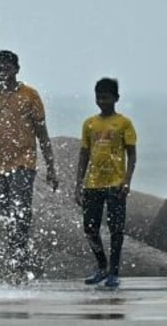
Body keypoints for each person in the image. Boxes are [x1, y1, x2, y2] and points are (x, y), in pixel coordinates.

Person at [0, 50, 59, 279]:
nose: (1, 72)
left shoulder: (30, 95)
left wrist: (51, 167)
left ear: (17, 68)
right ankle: (18, 254)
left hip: (24, 162)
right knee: (6, 213)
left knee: (22, 210)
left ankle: (19, 257)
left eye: (5, 68)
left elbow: (41, 133)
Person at [74, 78, 137, 289]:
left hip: (116, 184)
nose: (102, 101)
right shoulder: (89, 123)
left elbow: (132, 155)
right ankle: (101, 266)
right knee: (90, 228)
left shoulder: (124, 123)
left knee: (116, 229)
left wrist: (127, 181)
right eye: (98, 96)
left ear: (116, 98)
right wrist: (78, 184)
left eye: (106, 97)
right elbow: (83, 154)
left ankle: (114, 272)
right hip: (93, 185)